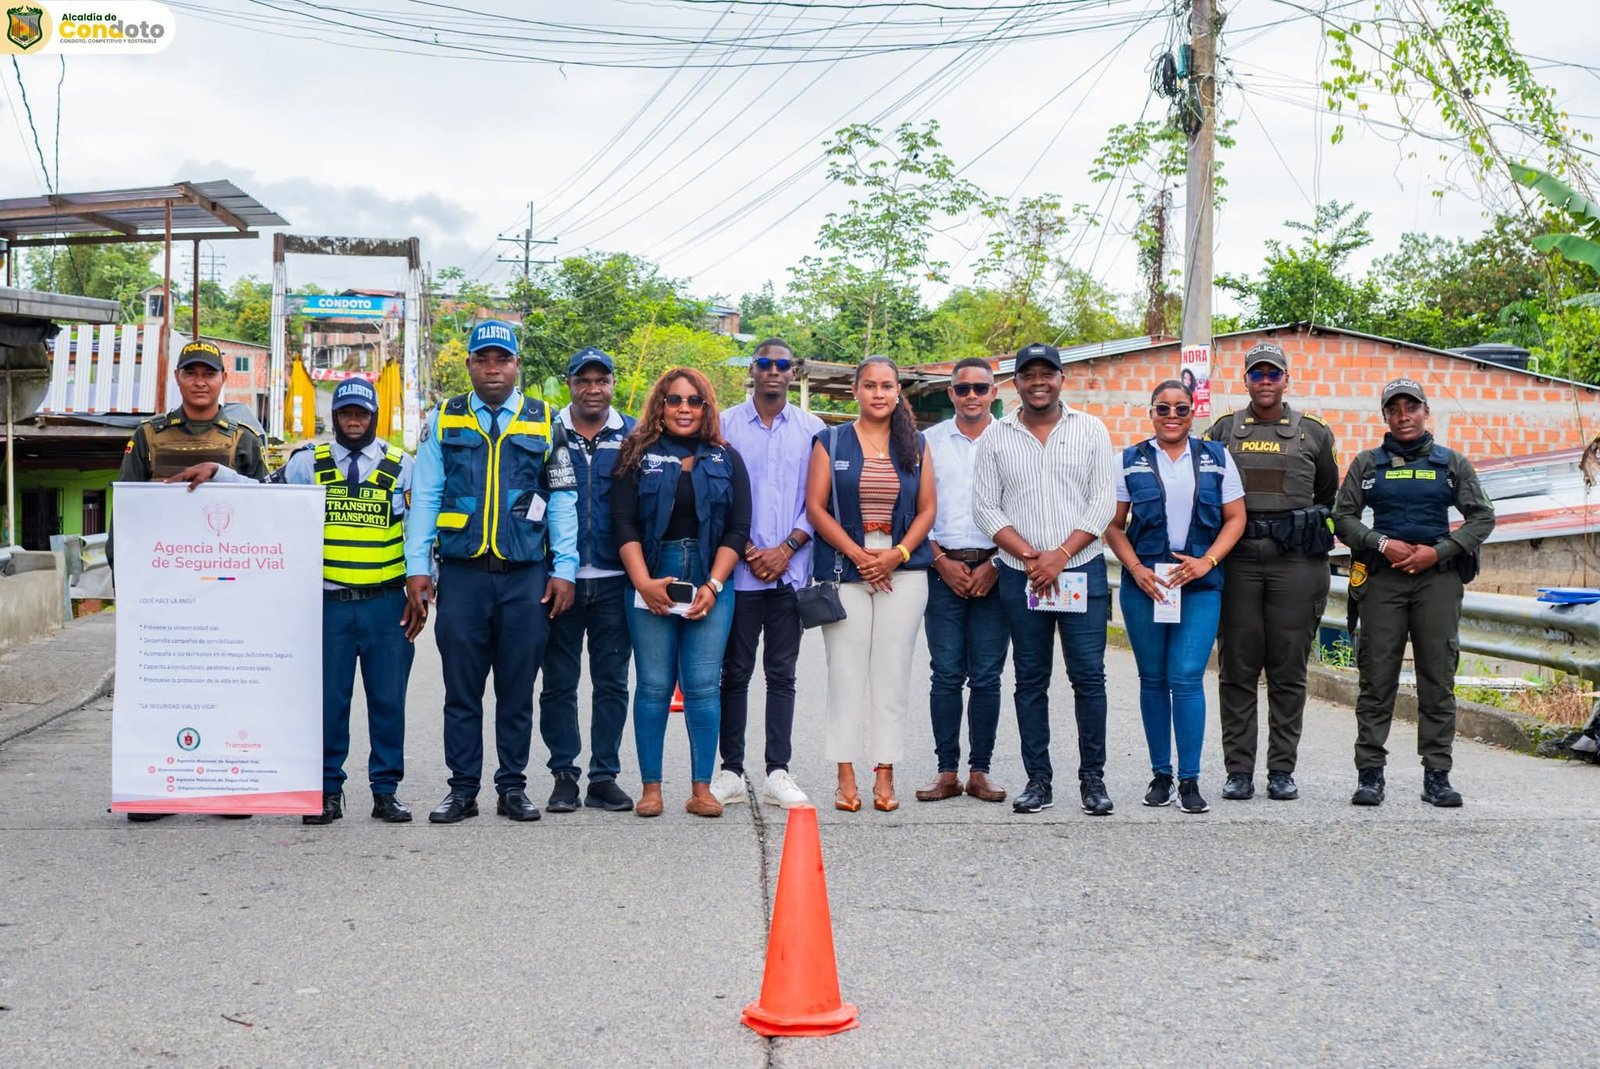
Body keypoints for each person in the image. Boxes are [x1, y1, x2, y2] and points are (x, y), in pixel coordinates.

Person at [404, 320, 578, 825]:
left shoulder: (546, 420)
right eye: (483, 359)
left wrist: (564, 568)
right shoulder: (444, 418)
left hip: (525, 576)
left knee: (517, 690)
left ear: (517, 364)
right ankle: (462, 790)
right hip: (463, 576)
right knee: (461, 691)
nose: (493, 368)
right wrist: (418, 566)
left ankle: (512, 788)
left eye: (502, 359)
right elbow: (427, 497)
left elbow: (563, 499)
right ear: (470, 365)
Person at [114, 339, 269, 823]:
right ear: (178, 378)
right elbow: (126, 510)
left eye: (209, 373)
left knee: (224, 688)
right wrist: (124, 581)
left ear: (223, 380)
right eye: (191, 372)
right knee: (162, 689)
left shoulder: (243, 438)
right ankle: (155, 788)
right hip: (162, 587)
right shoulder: (148, 436)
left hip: (226, 586)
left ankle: (224, 787)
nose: (200, 381)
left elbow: (267, 508)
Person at [1333, 378, 1496, 807]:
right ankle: (1370, 775)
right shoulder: (1367, 464)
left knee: (1437, 676)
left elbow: (1482, 517)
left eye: (1411, 407)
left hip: (1437, 578)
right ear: (1385, 416)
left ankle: (1437, 776)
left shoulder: (1451, 463)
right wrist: (1381, 543)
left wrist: (1439, 552)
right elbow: (1342, 518)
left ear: (1426, 412)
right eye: (1394, 409)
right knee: (1376, 676)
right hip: (1383, 578)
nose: (1403, 416)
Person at [269, 377, 423, 825]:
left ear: (374, 416)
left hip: (386, 604)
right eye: (346, 413)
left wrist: (424, 587)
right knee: (327, 703)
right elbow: (260, 496)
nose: (354, 421)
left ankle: (386, 792)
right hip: (327, 604)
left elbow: (421, 529)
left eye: (361, 413)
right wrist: (217, 475)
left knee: (388, 702)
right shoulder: (307, 463)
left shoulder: (404, 466)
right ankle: (327, 791)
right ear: (334, 416)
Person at [974, 342, 1117, 817]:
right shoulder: (996, 436)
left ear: (1061, 379)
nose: (1038, 382)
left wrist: (1061, 556)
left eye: (1047, 374)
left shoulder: (1091, 430)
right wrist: (1033, 558)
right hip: (1023, 576)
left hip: (1081, 569)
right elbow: (985, 507)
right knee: (1030, 680)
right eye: (1029, 374)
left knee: (1088, 677)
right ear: (1016, 382)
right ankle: (1038, 780)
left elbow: (1103, 502)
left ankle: (1093, 780)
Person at [612, 366, 751, 818]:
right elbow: (623, 522)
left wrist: (714, 583)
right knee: (653, 685)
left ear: (706, 407)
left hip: (711, 577)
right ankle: (651, 788)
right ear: (661, 405)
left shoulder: (726, 458)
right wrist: (642, 582)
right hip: (653, 575)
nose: (684, 408)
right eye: (675, 400)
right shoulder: (637, 454)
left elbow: (738, 528)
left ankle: (701, 789)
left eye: (694, 400)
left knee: (703, 687)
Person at [1103, 379, 1247, 815]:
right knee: (1152, 679)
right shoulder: (1128, 460)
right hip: (1147, 584)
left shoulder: (1217, 457)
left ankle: (1189, 778)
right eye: (1162, 408)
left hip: (1198, 585)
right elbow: (1113, 525)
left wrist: (1208, 561)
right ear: (1150, 412)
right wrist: (1135, 569)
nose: (1171, 416)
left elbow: (1236, 518)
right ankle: (1160, 774)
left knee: (1185, 677)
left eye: (1181, 409)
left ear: (1193, 412)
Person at [1205, 341, 1339, 802]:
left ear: (1286, 379)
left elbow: (1328, 494)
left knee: (1288, 670)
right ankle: (1239, 771)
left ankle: (1282, 770)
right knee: (1237, 669)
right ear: (1245, 380)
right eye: (1257, 374)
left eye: (1273, 374)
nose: (1265, 381)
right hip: (1238, 558)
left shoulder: (1314, 432)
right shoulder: (1224, 430)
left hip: (1295, 560)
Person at [806, 356, 935, 813]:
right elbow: (816, 508)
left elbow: (927, 510)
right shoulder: (830, 440)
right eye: (870, 385)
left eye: (887, 386)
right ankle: (845, 776)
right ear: (855, 391)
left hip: (903, 568)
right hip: (846, 566)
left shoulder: (916, 444)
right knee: (845, 674)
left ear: (898, 392)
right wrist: (859, 554)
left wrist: (896, 554)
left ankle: (885, 772)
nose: (879, 393)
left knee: (892, 675)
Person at [712, 339, 824, 810]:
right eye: (765, 363)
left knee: (782, 675)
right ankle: (731, 771)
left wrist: (786, 549)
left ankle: (778, 771)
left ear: (793, 371)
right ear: (752, 370)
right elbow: (715, 495)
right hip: (738, 574)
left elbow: (819, 501)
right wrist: (749, 549)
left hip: (789, 575)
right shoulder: (724, 425)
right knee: (734, 674)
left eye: (782, 364)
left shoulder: (814, 430)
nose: (774, 370)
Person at [536, 347, 638, 815]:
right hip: (560, 580)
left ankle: (604, 777)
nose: (593, 389)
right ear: (570, 384)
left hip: (617, 579)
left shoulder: (634, 434)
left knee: (612, 682)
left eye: (602, 380)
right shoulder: (546, 430)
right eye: (583, 381)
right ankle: (564, 775)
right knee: (559, 682)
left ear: (613, 384)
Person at [916, 357, 1010, 804]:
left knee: (988, 676)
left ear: (994, 392)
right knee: (946, 674)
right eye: (963, 388)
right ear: (950, 393)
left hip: (999, 570)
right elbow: (915, 508)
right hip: (943, 570)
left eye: (980, 388)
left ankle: (980, 771)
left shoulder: (1014, 440)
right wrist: (938, 560)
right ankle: (947, 771)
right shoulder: (927, 443)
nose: (972, 395)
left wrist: (998, 563)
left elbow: (1025, 507)